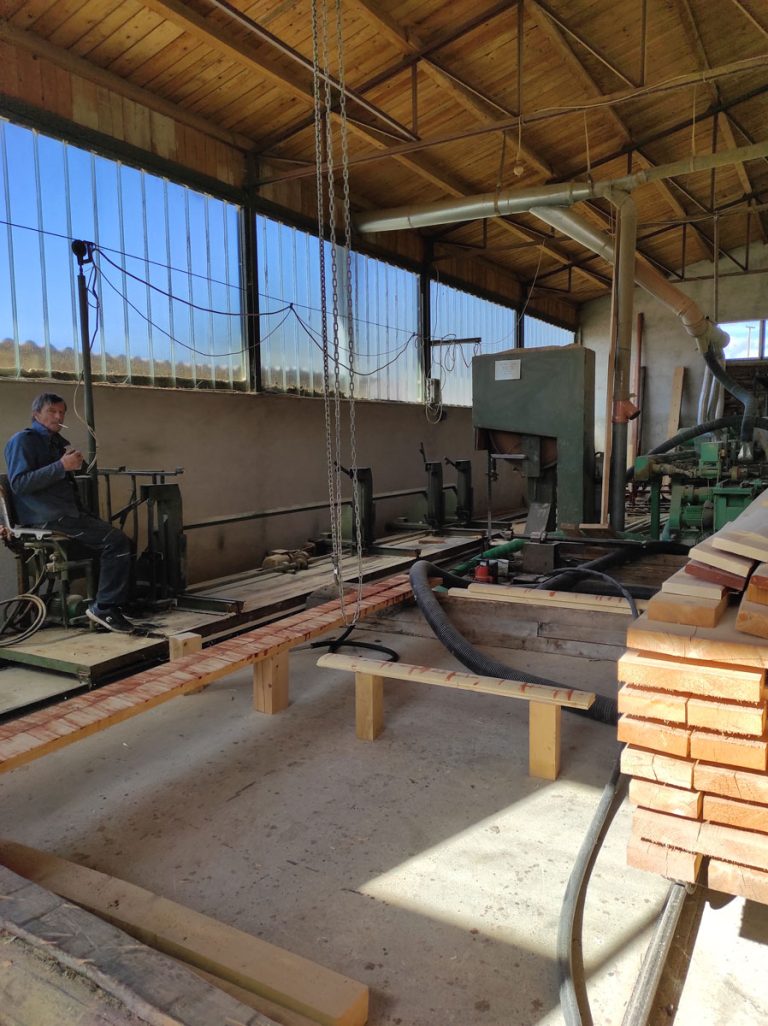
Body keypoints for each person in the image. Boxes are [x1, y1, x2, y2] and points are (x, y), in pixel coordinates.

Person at [4, 392, 133, 633]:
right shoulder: (22, 441)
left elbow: (67, 474)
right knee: (116, 542)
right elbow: (19, 483)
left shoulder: (56, 441)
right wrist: (61, 466)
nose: (58, 416)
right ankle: (104, 608)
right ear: (36, 414)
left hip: (65, 512)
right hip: (45, 516)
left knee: (122, 543)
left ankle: (112, 604)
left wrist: (74, 462)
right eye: (52, 411)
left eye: (62, 412)